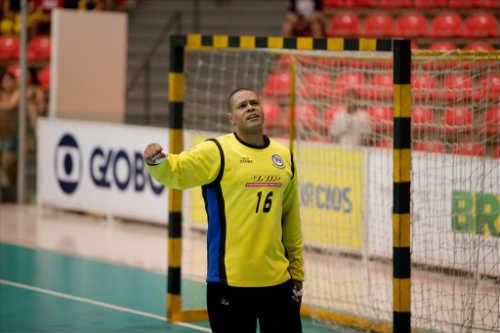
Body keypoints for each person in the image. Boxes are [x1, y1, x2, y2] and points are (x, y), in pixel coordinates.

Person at [144, 88, 304, 333]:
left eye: (254, 103)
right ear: (231, 118)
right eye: (242, 105)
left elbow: (291, 221)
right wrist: (157, 161)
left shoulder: (283, 157)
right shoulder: (217, 151)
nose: (250, 107)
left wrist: (297, 272)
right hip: (229, 284)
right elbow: (178, 172)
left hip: (278, 283)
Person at [0, 69, 20, 201]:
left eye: (10, 80)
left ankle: (11, 194)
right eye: (5, 80)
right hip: (1, 138)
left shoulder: (18, 94)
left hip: (13, 139)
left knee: (8, 165)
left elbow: (11, 105)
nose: (7, 83)